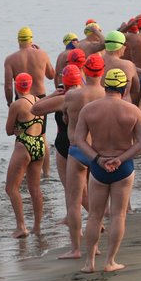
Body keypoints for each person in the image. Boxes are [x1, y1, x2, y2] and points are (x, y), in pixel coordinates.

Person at [71, 69, 141, 273]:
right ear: (124, 89)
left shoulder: (89, 109)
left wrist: (97, 158)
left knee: (95, 216)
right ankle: (110, 261)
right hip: (123, 166)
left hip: (98, 166)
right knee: (118, 215)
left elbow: (79, 140)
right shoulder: (132, 110)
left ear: (105, 87)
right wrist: (120, 158)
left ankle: (89, 263)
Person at [50, 55, 106, 259]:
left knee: (73, 201)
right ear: (102, 71)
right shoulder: (106, 94)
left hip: (77, 149)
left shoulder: (73, 96)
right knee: (97, 201)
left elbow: (64, 116)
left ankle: (75, 249)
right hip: (99, 149)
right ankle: (96, 247)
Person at [4, 73, 49, 238]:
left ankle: (21, 226)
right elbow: (42, 127)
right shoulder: (40, 101)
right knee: (35, 188)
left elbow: (9, 131)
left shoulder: (17, 104)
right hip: (39, 144)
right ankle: (37, 227)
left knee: (11, 188)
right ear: (30, 85)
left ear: (17, 86)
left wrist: (17, 129)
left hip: (24, 145)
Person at [3, 26, 55, 104]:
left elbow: (8, 87)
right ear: (31, 40)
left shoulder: (10, 59)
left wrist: (10, 103)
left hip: (21, 100)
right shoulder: (42, 54)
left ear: (18, 40)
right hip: (40, 99)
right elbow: (51, 76)